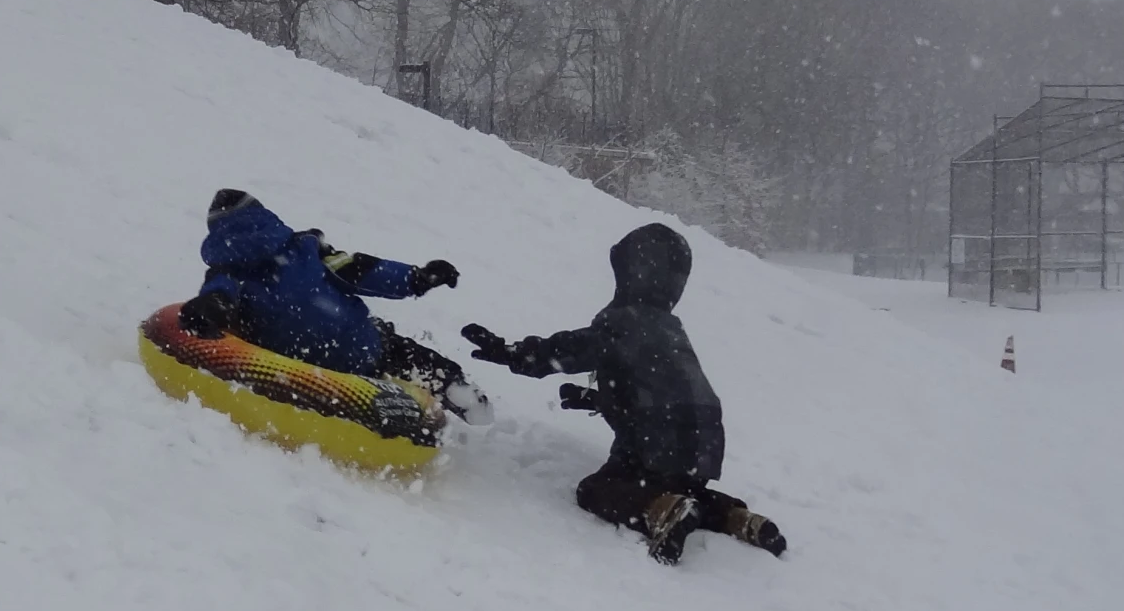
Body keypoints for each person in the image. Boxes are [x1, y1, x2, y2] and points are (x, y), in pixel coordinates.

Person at [461, 223, 787, 564]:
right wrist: (593, 400)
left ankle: (659, 509)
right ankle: (739, 519)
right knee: (687, 488)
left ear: (632, 273)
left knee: (599, 490)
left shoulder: (623, 321)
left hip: (655, 440)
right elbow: (660, 387)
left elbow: (573, 349)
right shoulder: (670, 329)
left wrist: (515, 353)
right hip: (703, 440)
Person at [178, 189, 487, 420]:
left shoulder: (229, 272)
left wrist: (207, 309)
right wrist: (416, 278)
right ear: (265, 217)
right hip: (360, 346)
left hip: (293, 362)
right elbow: (362, 270)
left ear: (217, 235)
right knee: (404, 353)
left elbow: (219, 297)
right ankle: (459, 392)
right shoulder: (306, 249)